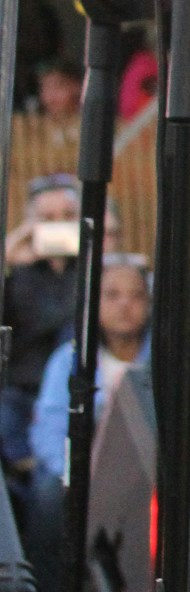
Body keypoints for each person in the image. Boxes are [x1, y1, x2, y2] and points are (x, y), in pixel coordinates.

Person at [21, 257, 151, 592]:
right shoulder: (70, 358)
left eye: (136, 295)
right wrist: (76, 470)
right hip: (83, 467)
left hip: (150, 470)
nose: (125, 304)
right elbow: (50, 429)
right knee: (49, 497)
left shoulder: (168, 356)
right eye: (112, 295)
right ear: (93, 305)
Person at [1, 175, 80, 510]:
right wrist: (6, 261)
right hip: (20, 394)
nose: (58, 227)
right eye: (47, 219)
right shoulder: (18, 273)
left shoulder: (96, 272)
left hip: (76, 398)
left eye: (67, 217)